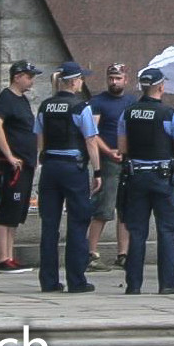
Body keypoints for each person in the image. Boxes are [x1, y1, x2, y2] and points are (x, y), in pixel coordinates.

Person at [118, 67, 174, 295]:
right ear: (161, 86)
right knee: (166, 230)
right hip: (162, 177)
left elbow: (122, 148)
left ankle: (133, 284)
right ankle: (167, 283)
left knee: (136, 231)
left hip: (136, 175)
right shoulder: (169, 114)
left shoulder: (127, 112)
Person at [34, 62, 102, 293]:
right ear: (74, 82)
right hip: (73, 169)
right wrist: (98, 171)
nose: (82, 82)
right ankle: (76, 280)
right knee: (77, 222)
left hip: (50, 167)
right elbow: (91, 141)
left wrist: (44, 162)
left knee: (49, 225)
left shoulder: (45, 106)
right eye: (81, 79)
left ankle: (49, 281)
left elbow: (40, 140)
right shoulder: (80, 107)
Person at [0, 59, 42, 274]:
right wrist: (9, 154)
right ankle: (2, 257)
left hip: (26, 162)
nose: (31, 81)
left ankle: (10, 254)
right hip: (13, 164)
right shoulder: (6, 98)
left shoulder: (22, 100)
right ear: (17, 76)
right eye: (28, 76)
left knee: (17, 211)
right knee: (9, 207)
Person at [86, 63, 136, 272]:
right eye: (111, 78)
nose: (114, 82)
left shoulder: (132, 101)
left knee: (126, 210)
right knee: (104, 208)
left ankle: (123, 254)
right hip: (109, 160)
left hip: (128, 159)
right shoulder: (97, 102)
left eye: (118, 78)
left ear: (126, 79)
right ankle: (91, 253)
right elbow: (91, 132)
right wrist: (108, 152)